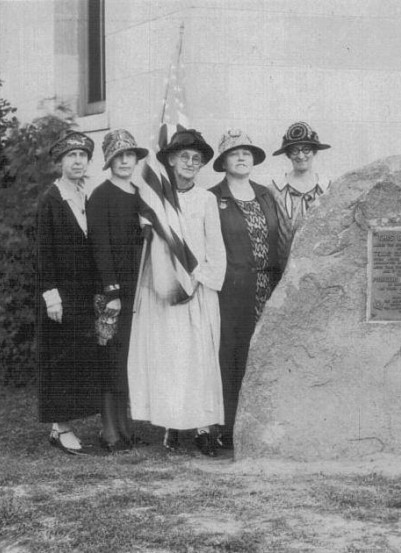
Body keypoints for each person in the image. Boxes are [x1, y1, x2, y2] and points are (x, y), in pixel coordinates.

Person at [127, 129, 227, 456]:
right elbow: (150, 248)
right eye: (184, 156)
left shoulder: (206, 200)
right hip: (166, 291)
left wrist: (200, 277)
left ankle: (202, 428)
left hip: (197, 291)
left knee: (199, 360)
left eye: (196, 159)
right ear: (171, 159)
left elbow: (216, 248)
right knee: (171, 358)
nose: (190, 163)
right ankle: (172, 424)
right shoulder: (157, 200)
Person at [209, 130, 288, 449]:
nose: (241, 157)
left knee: (266, 354)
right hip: (231, 291)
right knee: (232, 357)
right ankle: (230, 429)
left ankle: (264, 426)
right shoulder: (213, 197)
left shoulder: (266, 195)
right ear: (224, 161)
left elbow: (280, 238)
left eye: (246, 152)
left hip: (267, 289)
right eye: (234, 153)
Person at [36, 130, 101, 455]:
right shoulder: (52, 199)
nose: (77, 161)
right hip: (60, 295)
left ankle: (58, 426)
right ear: (60, 161)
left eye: (82, 156)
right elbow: (44, 252)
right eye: (71, 156)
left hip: (82, 293)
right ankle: (61, 428)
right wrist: (52, 295)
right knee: (60, 361)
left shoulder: (83, 195)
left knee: (76, 358)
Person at [87, 129, 148, 452]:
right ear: (110, 161)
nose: (125, 161)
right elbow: (100, 247)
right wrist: (112, 292)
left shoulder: (140, 193)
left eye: (130, 155)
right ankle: (109, 429)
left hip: (139, 289)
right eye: (119, 157)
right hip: (112, 292)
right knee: (109, 356)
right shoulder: (101, 195)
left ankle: (126, 427)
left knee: (128, 358)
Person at [270, 121, 331, 243]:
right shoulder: (274, 190)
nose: (301, 156)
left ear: (314, 152)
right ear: (288, 154)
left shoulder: (327, 189)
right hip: (284, 260)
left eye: (306, 149)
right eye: (294, 151)